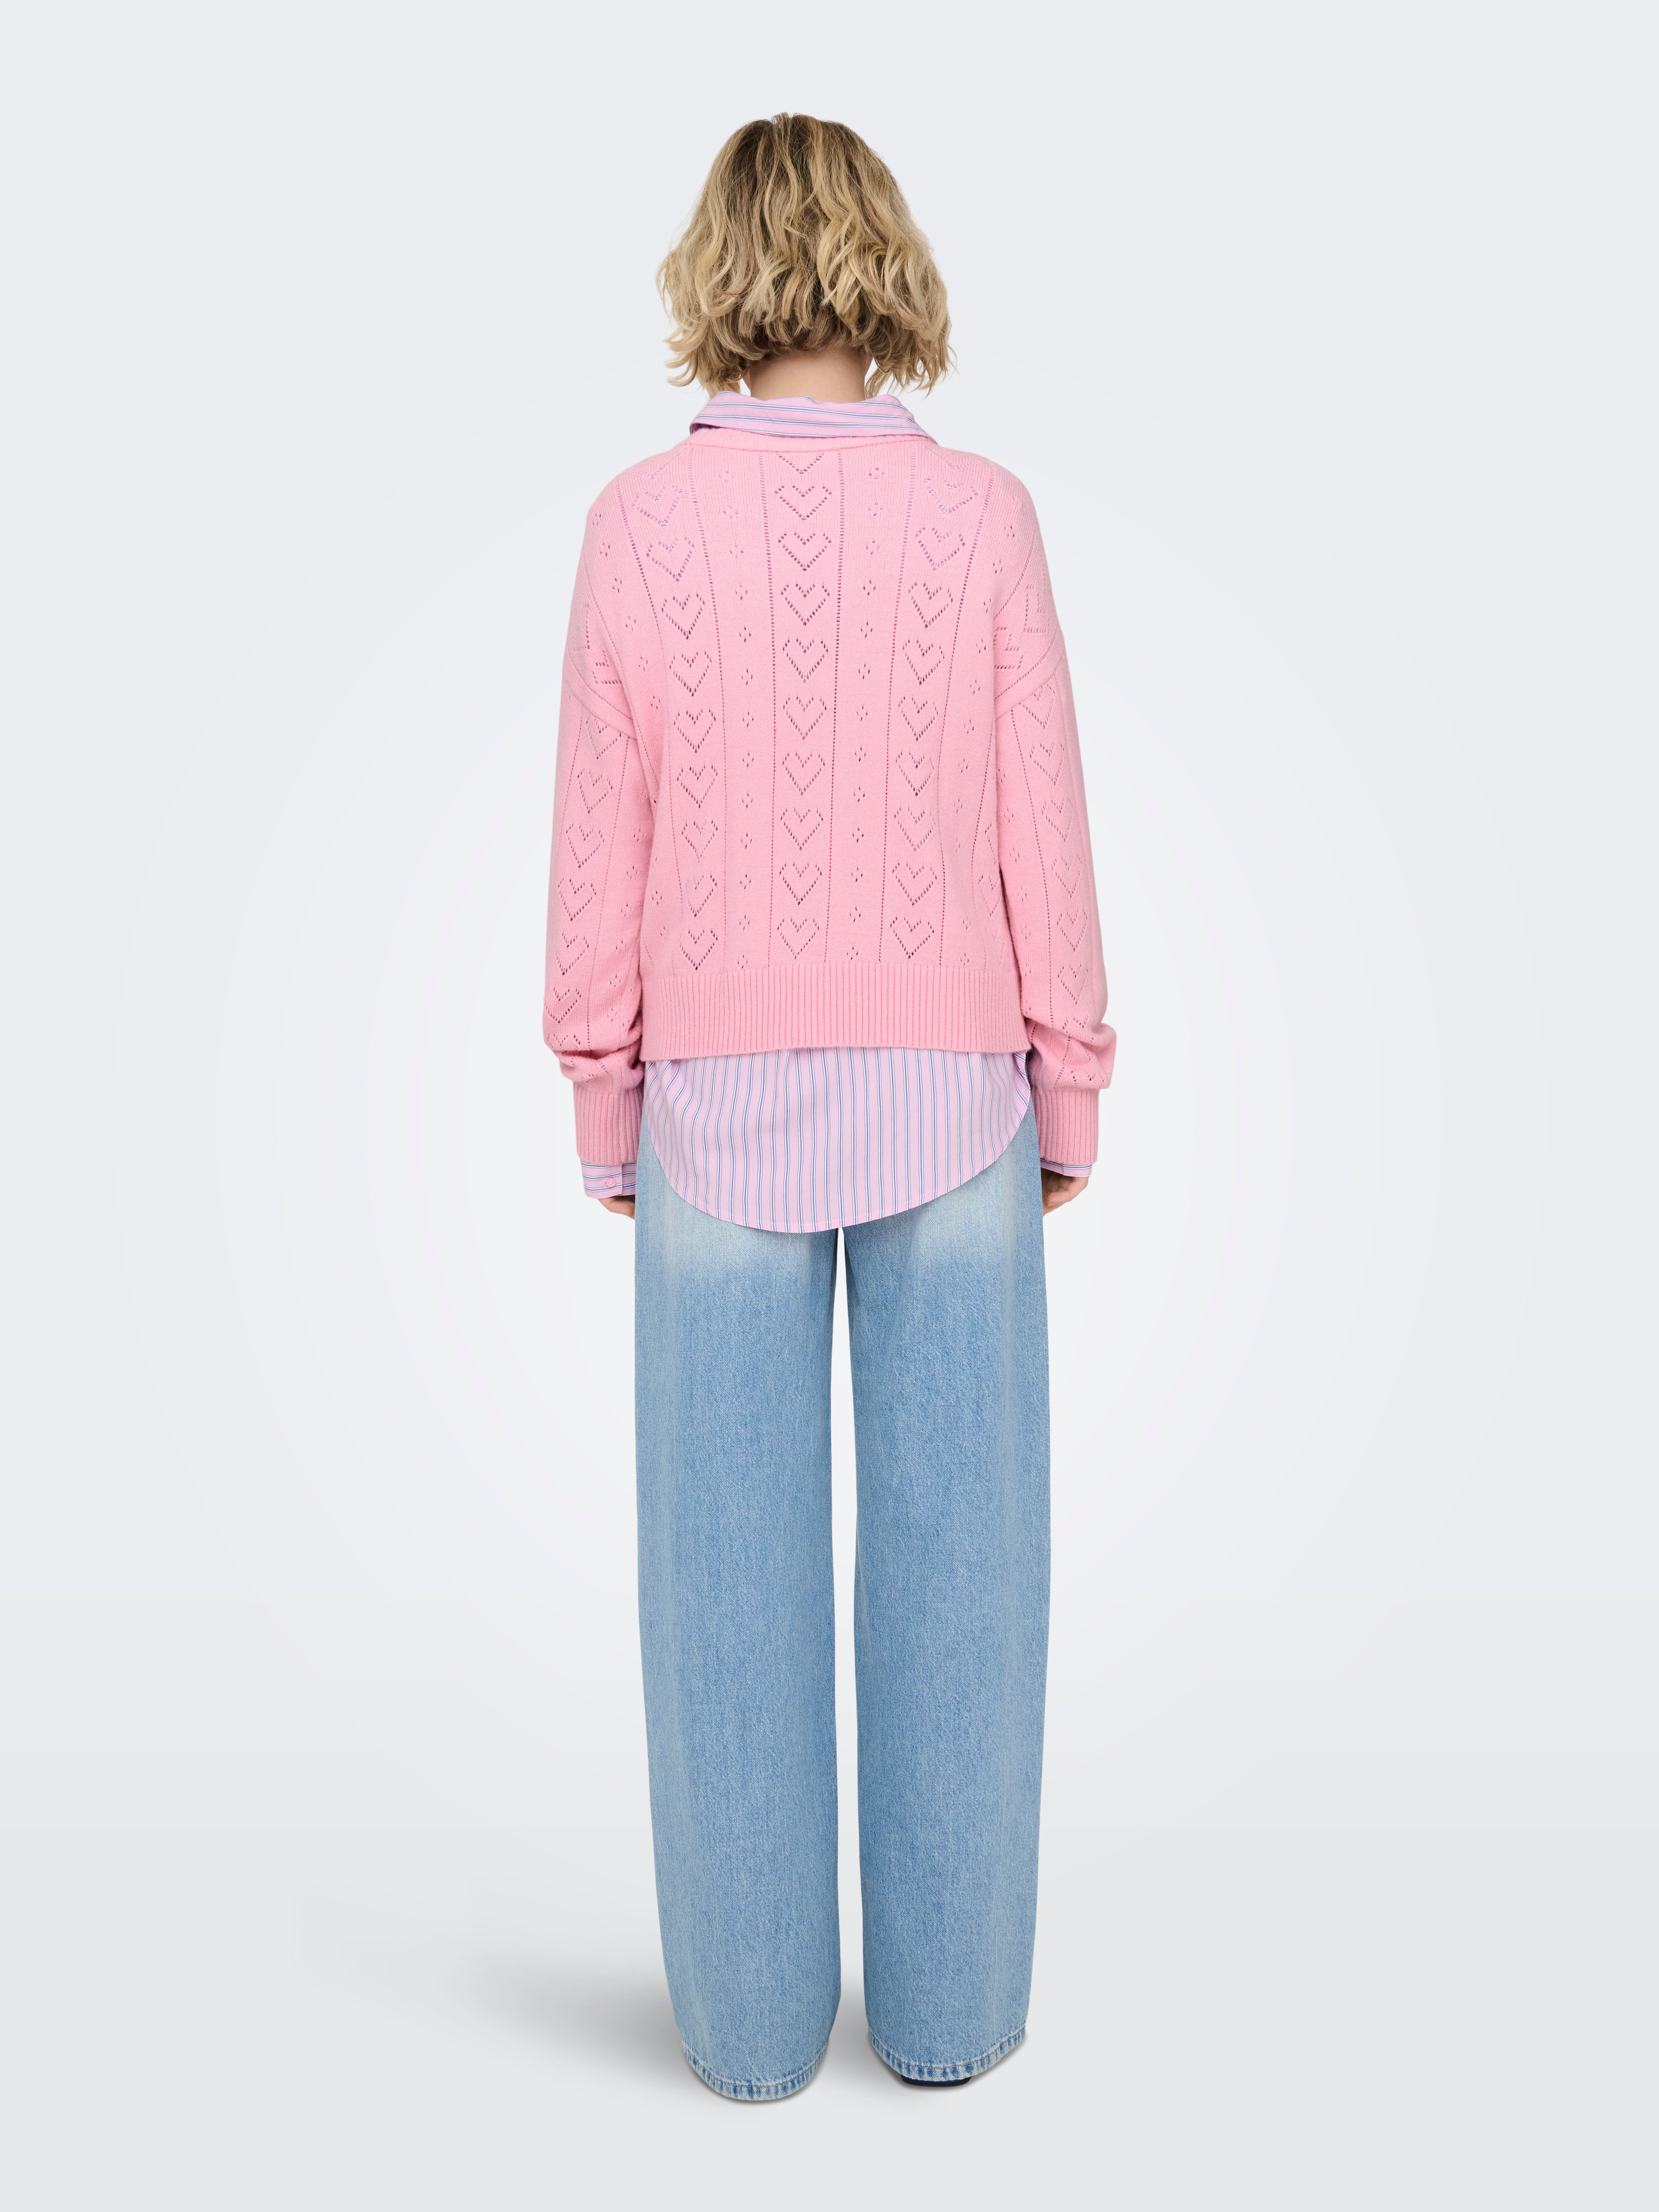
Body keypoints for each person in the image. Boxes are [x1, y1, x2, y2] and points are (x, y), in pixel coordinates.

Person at [544, 114, 1115, 2100]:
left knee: (722, 1585)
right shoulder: (984, 517)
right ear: (889, 260)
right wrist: (1069, 1083)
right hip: (959, 1095)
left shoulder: (636, 526)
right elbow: (1043, 818)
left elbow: (598, 841)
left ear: (716, 269)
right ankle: (950, 2020)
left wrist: (605, 1099)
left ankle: (749, 2031)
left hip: (709, 1108)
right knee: (970, 1570)